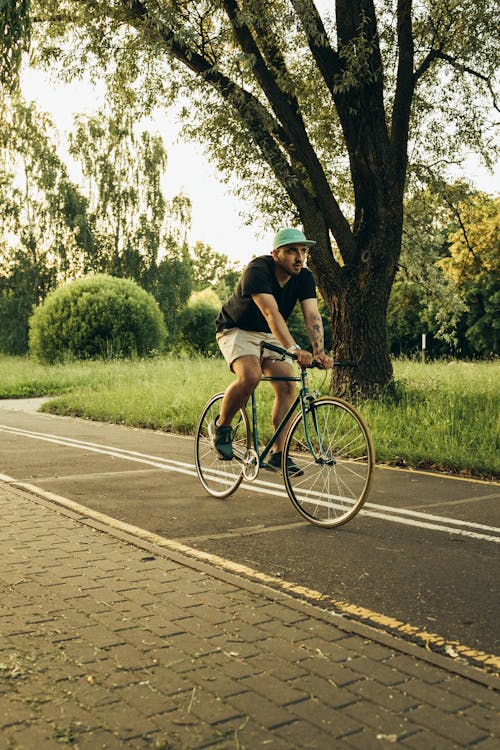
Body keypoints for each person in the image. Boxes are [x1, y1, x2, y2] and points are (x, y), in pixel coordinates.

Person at [210, 227, 333, 474]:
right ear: (276, 254)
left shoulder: (305, 277)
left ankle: (279, 454)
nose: (299, 257)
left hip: (269, 334)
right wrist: (295, 348)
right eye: (291, 251)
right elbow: (271, 313)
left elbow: (312, 315)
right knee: (251, 376)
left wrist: (318, 352)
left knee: (288, 384)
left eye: (303, 251)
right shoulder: (258, 270)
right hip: (237, 329)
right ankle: (222, 426)